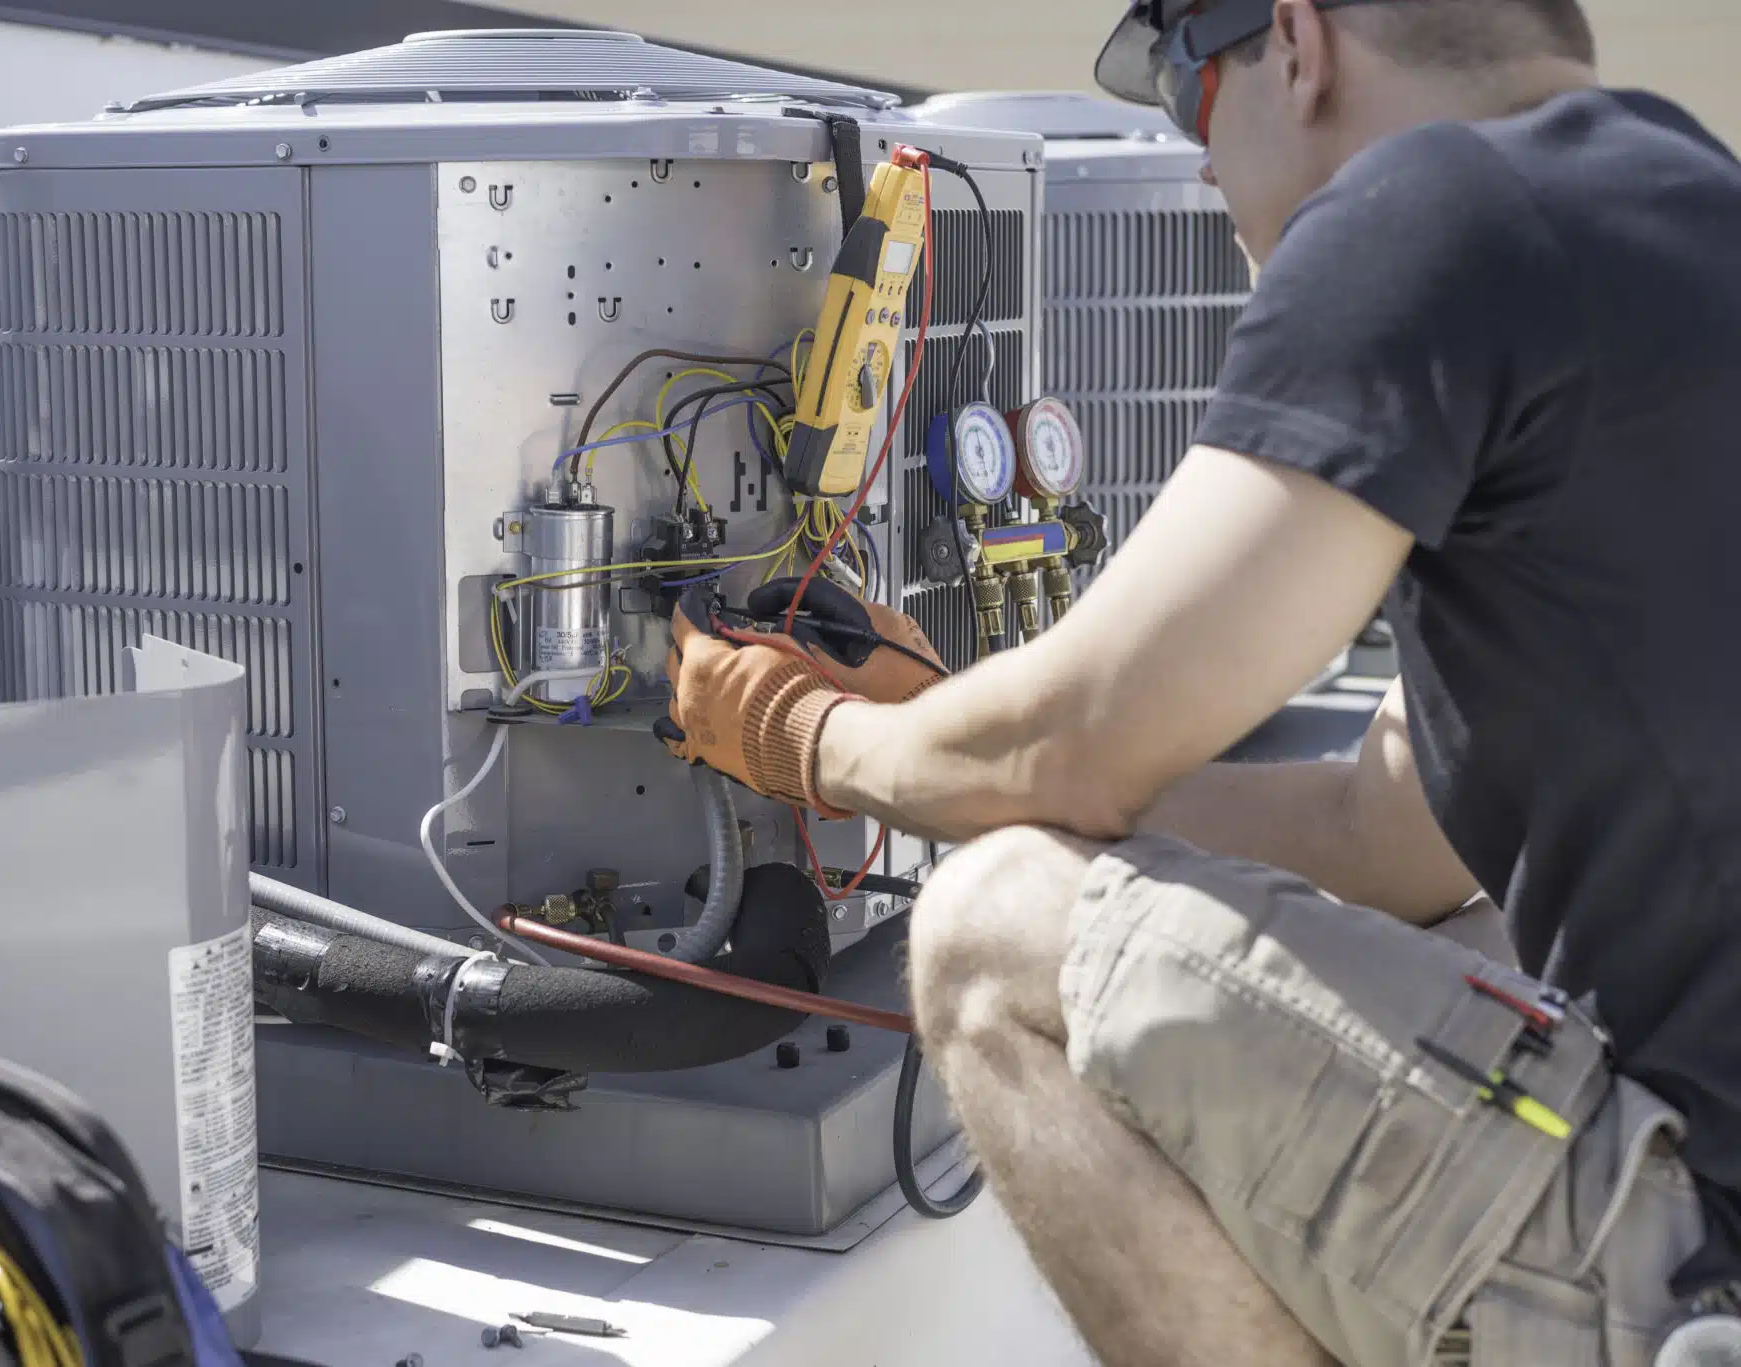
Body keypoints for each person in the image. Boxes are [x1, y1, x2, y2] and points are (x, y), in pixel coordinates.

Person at [659, 1, 1741, 1363]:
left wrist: (808, 734)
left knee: (993, 935)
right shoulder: (1684, 202)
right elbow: (1387, 833)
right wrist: (955, 728)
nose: (1198, 161)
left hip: (1697, 1246)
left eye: (1184, 88)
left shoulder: (1434, 208)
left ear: (1296, 40)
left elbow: (1081, 742)